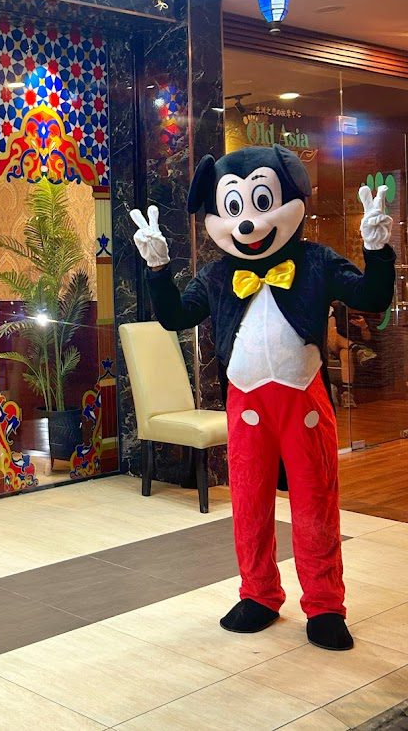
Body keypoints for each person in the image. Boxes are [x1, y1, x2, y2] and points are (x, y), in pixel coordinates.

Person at [131, 145, 394, 652]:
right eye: (234, 208)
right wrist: (158, 269)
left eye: (261, 202)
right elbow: (174, 317)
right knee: (249, 501)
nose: (248, 223)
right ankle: (258, 593)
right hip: (246, 404)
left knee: (316, 503)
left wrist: (377, 250)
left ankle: (324, 604)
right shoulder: (216, 275)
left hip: (304, 402)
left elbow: (372, 297)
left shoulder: (315, 260)